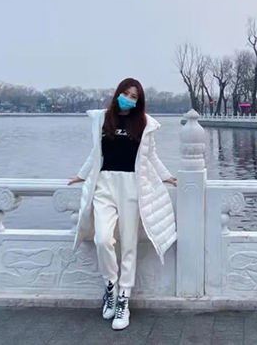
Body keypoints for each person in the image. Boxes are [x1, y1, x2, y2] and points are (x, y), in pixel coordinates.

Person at [68, 78, 177, 330]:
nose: (128, 98)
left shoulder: (144, 124)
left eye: (134, 96)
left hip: (131, 186)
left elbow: (150, 156)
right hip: (104, 184)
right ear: (118, 93)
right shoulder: (103, 119)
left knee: (128, 244)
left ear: (139, 101)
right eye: (126, 93)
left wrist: (166, 176)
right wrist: (82, 175)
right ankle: (110, 287)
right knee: (103, 239)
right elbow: (95, 153)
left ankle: (124, 298)